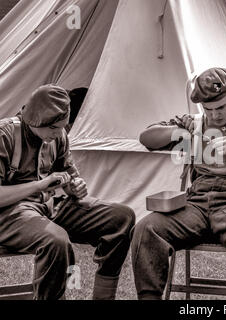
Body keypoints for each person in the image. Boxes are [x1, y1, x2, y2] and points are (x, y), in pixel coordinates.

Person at [132, 67, 226, 300]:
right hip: (197, 204)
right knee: (146, 228)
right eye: (208, 109)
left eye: (221, 107)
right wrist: (179, 133)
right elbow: (146, 138)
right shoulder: (195, 123)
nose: (215, 115)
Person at [0, 84, 135, 300]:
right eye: (54, 128)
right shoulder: (5, 135)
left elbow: (70, 174)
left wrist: (75, 187)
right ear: (37, 119)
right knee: (56, 241)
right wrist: (40, 185)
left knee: (121, 218)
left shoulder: (58, 136)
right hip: (10, 215)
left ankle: (103, 297)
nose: (59, 133)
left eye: (63, 127)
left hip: (50, 208)